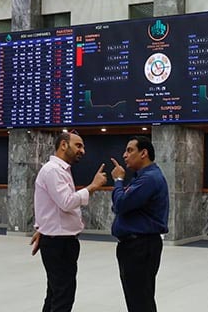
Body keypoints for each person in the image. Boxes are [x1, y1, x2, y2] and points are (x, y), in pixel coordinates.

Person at [30, 131, 108, 312]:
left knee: (55, 292)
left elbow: (51, 206)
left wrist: (42, 228)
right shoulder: (53, 170)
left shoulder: (60, 170)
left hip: (59, 240)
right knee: (63, 295)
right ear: (64, 145)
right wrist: (93, 186)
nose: (83, 151)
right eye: (78, 146)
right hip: (59, 244)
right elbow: (66, 203)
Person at [110, 136, 169, 312]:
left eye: (130, 150)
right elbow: (121, 204)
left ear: (144, 153)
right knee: (138, 298)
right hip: (136, 246)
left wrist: (118, 181)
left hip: (140, 247)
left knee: (140, 301)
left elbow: (120, 204)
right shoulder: (142, 178)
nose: (125, 155)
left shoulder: (149, 179)